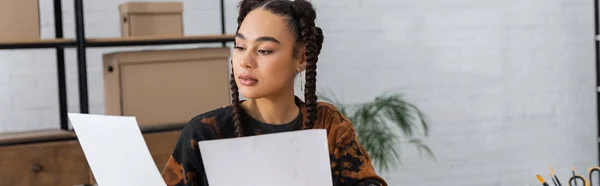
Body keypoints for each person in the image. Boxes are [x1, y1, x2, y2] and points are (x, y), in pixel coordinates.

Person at [160, 0, 388, 185]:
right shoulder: (204, 132)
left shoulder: (329, 126)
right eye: (240, 47)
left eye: (264, 50)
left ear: (301, 59)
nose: (245, 61)